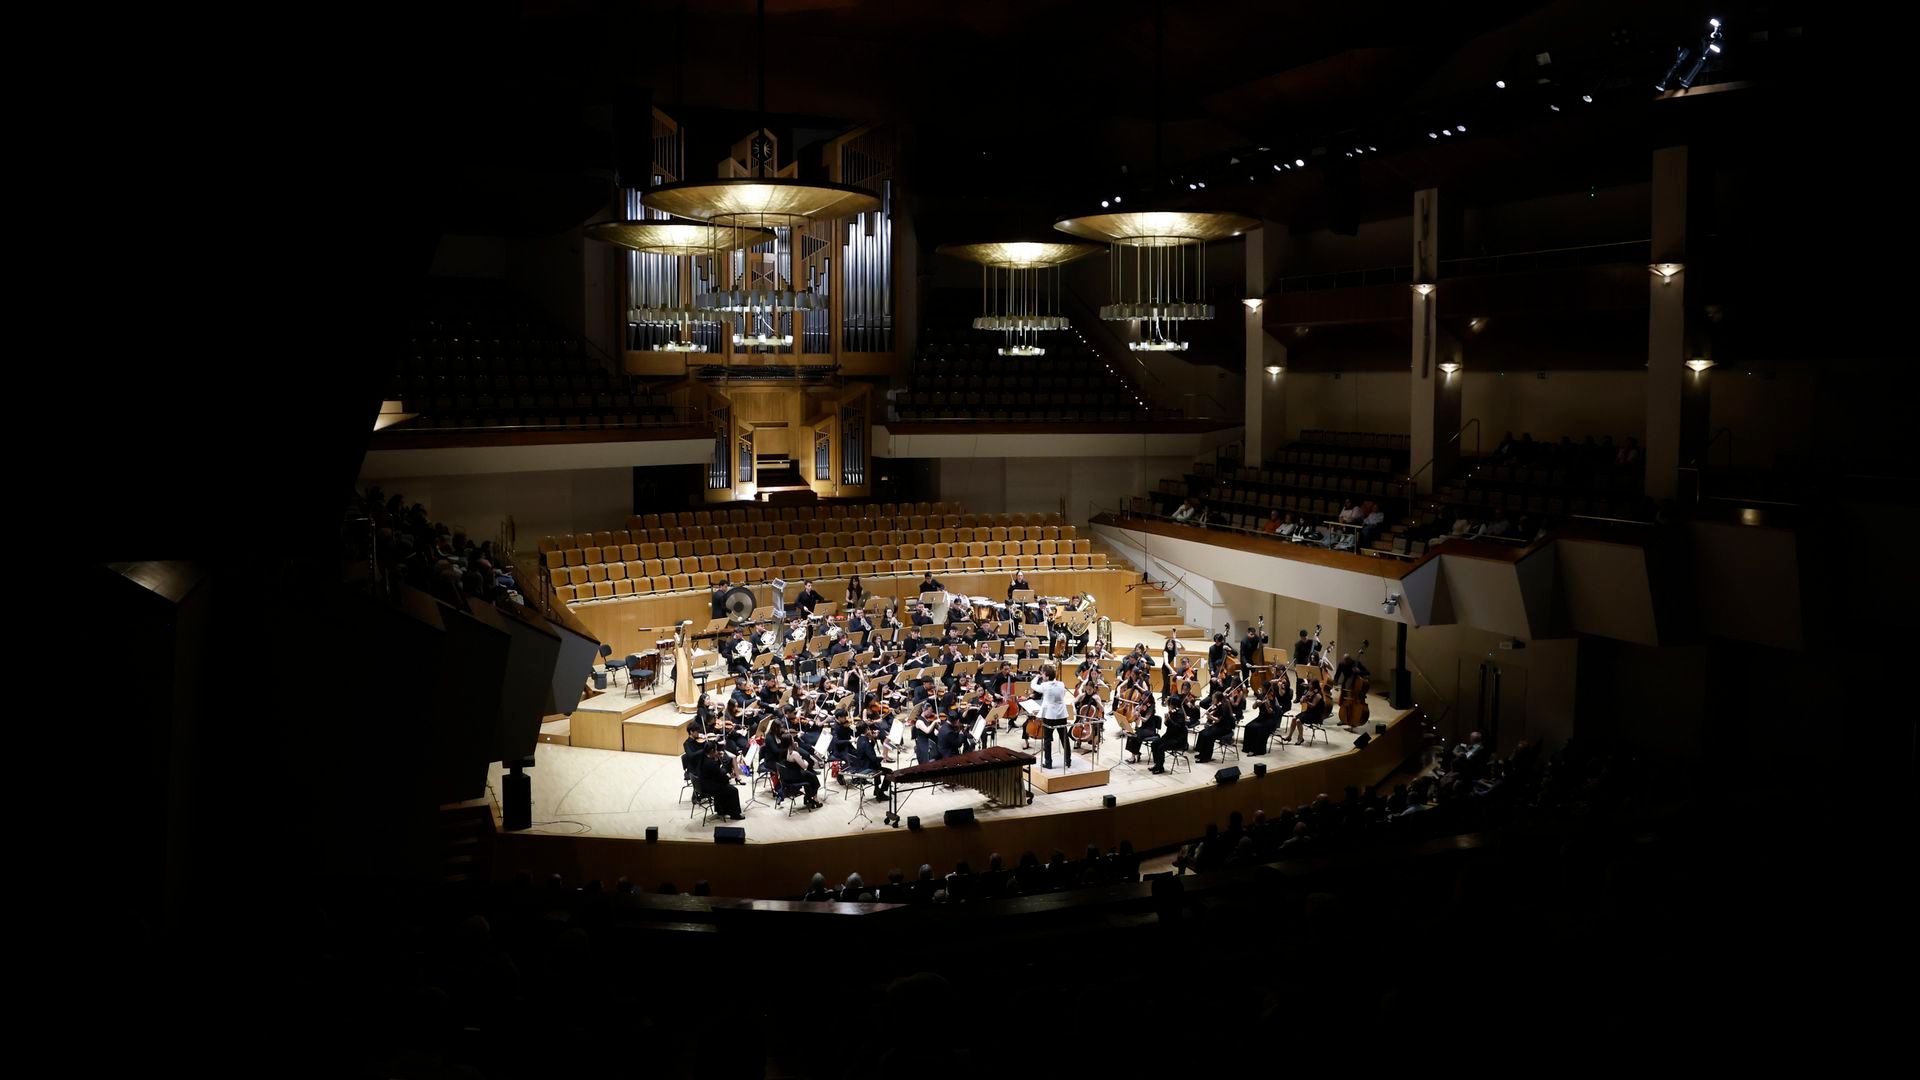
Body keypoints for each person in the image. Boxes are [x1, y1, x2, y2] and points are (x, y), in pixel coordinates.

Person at [1031, 663, 1072, 769]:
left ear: (1046, 675)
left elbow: (1033, 686)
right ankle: (1068, 760)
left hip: (1050, 715)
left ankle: (1048, 763)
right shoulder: (1061, 684)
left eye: (1042, 674)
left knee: (1048, 739)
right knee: (1064, 737)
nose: (1042, 675)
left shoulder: (1045, 686)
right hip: (1062, 714)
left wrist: (1036, 677)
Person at [695, 742, 744, 819]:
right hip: (708, 787)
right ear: (712, 751)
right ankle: (735, 814)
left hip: (702, 785)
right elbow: (721, 777)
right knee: (733, 790)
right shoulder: (710, 763)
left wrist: (717, 759)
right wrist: (728, 778)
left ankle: (721, 810)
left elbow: (716, 773)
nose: (717, 751)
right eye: (716, 750)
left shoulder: (702, 758)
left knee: (725, 786)